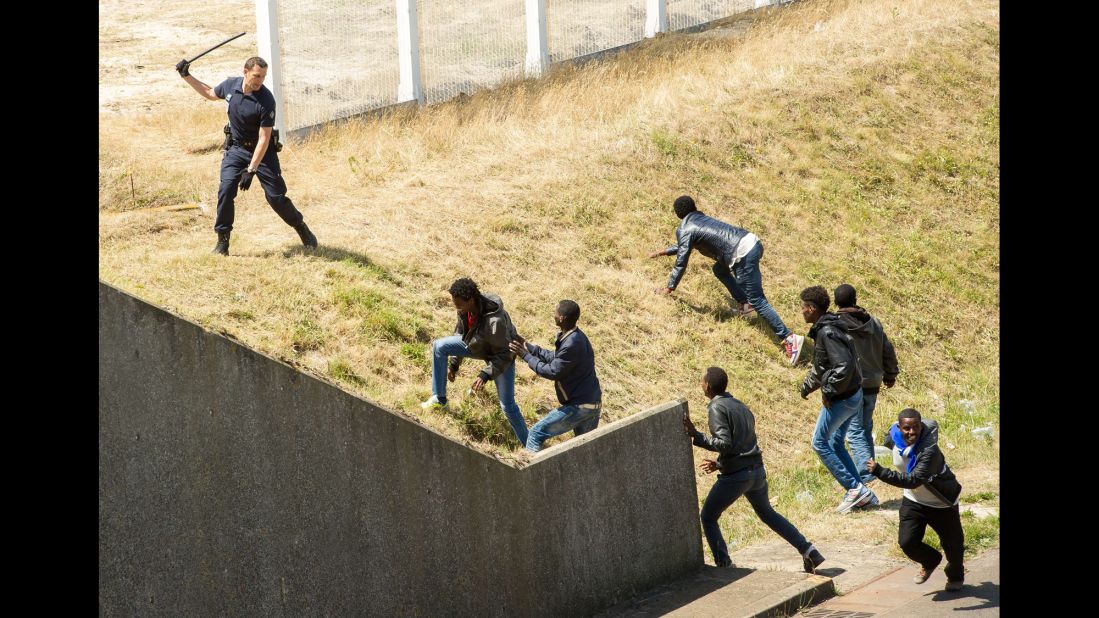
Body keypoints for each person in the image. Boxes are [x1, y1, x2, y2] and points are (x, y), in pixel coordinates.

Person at [684, 367, 825, 572]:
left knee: (708, 516)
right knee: (768, 513)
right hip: (756, 472)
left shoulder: (716, 407)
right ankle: (809, 550)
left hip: (737, 477)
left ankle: (724, 566)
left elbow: (725, 443)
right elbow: (742, 444)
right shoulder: (740, 406)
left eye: (702, 381)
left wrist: (696, 435)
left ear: (707, 386)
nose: (700, 384)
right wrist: (720, 463)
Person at [176, 56, 317, 255]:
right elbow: (209, 92)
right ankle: (223, 240)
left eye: (263, 77)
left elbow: (264, 138)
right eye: (257, 76)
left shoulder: (266, 100)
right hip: (236, 149)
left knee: (276, 197)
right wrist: (186, 75)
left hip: (262, 153)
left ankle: (300, 226)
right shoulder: (230, 86)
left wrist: (251, 169)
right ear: (245, 71)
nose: (260, 81)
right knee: (225, 190)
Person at [650, 195, 803, 364]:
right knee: (719, 270)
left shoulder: (685, 228)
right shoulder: (699, 218)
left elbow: (682, 260)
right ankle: (745, 306)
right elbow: (684, 246)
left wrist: (669, 288)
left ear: (677, 213)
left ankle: (789, 338)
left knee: (758, 299)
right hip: (751, 242)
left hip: (741, 254)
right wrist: (664, 251)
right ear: (693, 207)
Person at [798, 285, 877, 512]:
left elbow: (843, 366)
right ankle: (863, 492)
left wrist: (827, 391)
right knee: (834, 442)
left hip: (843, 398)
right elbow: (823, 366)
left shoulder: (827, 332)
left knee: (819, 442)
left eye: (803, 308)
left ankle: (855, 489)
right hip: (853, 395)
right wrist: (807, 387)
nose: (801, 312)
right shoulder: (828, 327)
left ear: (812, 308)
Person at [867, 408, 964, 592]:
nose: (911, 432)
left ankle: (955, 575)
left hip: (941, 502)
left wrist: (880, 471)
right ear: (899, 427)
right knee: (907, 542)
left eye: (916, 427)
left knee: (954, 546)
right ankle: (931, 560)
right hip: (914, 500)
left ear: (921, 426)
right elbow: (893, 447)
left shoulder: (929, 451)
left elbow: (913, 480)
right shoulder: (893, 436)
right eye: (906, 428)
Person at [421, 278, 527, 445]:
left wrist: (485, 374)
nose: (455, 306)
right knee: (439, 346)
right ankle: (439, 399)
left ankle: (530, 445)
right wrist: (454, 364)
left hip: (501, 355)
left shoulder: (495, 321)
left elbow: (506, 353)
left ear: (470, 299)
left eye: (458, 303)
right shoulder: (465, 309)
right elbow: (461, 334)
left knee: (508, 406)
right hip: (477, 345)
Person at [507, 300, 602, 453]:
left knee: (536, 434)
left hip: (580, 407)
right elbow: (556, 358)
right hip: (592, 405)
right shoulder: (575, 337)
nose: (554, 314)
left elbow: (552, 371)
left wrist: (525, 356)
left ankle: (530, 474)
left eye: (556, 312)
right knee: (586, 452)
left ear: (562, 318)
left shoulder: (572, 343)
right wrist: (530, 348)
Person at [833, 283, 900, 496]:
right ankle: (872, 469)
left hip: (852, 385)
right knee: (864, 427)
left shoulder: (836, 326)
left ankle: (867, 474)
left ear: (836, 302)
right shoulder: (874, 323)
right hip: (873, 383)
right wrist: (891, 373)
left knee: (854, 432)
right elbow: (886, 348)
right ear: (855, 299)